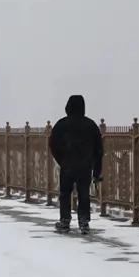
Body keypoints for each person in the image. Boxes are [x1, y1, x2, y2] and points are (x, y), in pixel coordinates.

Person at [48, 95, 103, 232]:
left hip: (67, 166)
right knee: (83, 194)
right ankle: (84, 222)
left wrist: (62, 160)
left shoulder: (61, 124)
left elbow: (53, 145)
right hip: (85, 167)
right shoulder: (90, 125)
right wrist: (96, 171)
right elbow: (99, 150)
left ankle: (65, 220)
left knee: (65, 193)